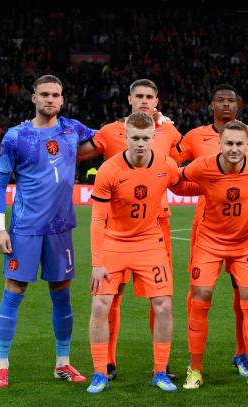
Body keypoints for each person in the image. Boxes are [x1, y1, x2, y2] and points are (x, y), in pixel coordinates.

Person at [0, 74, 95, 387]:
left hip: (60, 228)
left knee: (61, 293)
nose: (50, 99)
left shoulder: (72, 129)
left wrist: (150, 120)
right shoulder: (15, 137)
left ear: (62, 99)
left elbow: (115, 137)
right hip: (25, 229)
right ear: (34, 98)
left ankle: (62, 363)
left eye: (56, 95)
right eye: (45, 94)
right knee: (14, 291)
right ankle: (1, 364)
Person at [86, 111, 200, 393]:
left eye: (145, 138)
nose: (140, 143)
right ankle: (100, 372)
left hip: (150, 243)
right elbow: (98, 220)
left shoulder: (165, 164)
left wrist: (214, 185)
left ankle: (160, 372)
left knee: (163, 305)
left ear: (153, 138)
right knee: (100, 305)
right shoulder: (109, 170)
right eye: (135, 138)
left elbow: (182, 185)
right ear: (126, 137)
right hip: (114, 243)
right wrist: (97, 262)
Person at [78, 78, 182, 381]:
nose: (145, 101)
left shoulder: (169, 131)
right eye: (140, 96)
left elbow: (182, 172)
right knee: (110, 299)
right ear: (129, 99)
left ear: (157, 100)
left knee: (161, 299)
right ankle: (106, 364)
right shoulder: (110, 132)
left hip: (156, 226)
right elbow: (81, 151)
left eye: (150, 96)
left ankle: (161, 367)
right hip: (116, 228)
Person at [179, 120, 248, 390]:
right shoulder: (202, 166)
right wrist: (199, 188)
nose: (234, 148)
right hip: (209, 241)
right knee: (200, 298)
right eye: (229, 143)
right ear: (219, 144)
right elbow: (176, 180)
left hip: (245, 243)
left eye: (239, 144)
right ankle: (195, 369)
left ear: (247, 146)